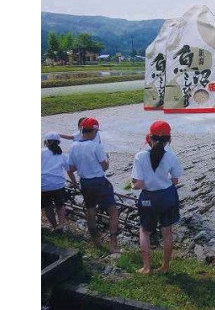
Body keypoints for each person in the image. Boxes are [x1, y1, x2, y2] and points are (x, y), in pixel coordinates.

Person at [131, 120, 183, 274]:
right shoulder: (171, 157)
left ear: (150, 138)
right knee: (167, 232)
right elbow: (175, 180)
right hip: (167, 196)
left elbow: (139, 184)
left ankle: (146, 267)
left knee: (145, 231)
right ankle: (165, 266)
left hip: (148, 198)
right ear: (169, 139)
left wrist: (132, 185)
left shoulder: (140, 156)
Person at [67, 117, 119, 254]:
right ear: (93, 131)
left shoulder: (73, 146)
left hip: (85, 183)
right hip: (99, 182)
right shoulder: (96, 146)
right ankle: (113, 244)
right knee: (113, 211)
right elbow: (104, 167)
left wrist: (75, 181)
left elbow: (71, 168)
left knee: (90, 212)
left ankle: (96, 241)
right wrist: (107, 159)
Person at [42, 132, 75, 232]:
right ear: (59, 143)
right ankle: (61, 225)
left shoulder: (40, 152)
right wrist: (75, 183)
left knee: (48, 207)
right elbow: (69, 171)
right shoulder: (62, 155)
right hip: (58, 185)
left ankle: (54, 225)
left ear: (46, 142)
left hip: (43, 185)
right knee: (60, 205)